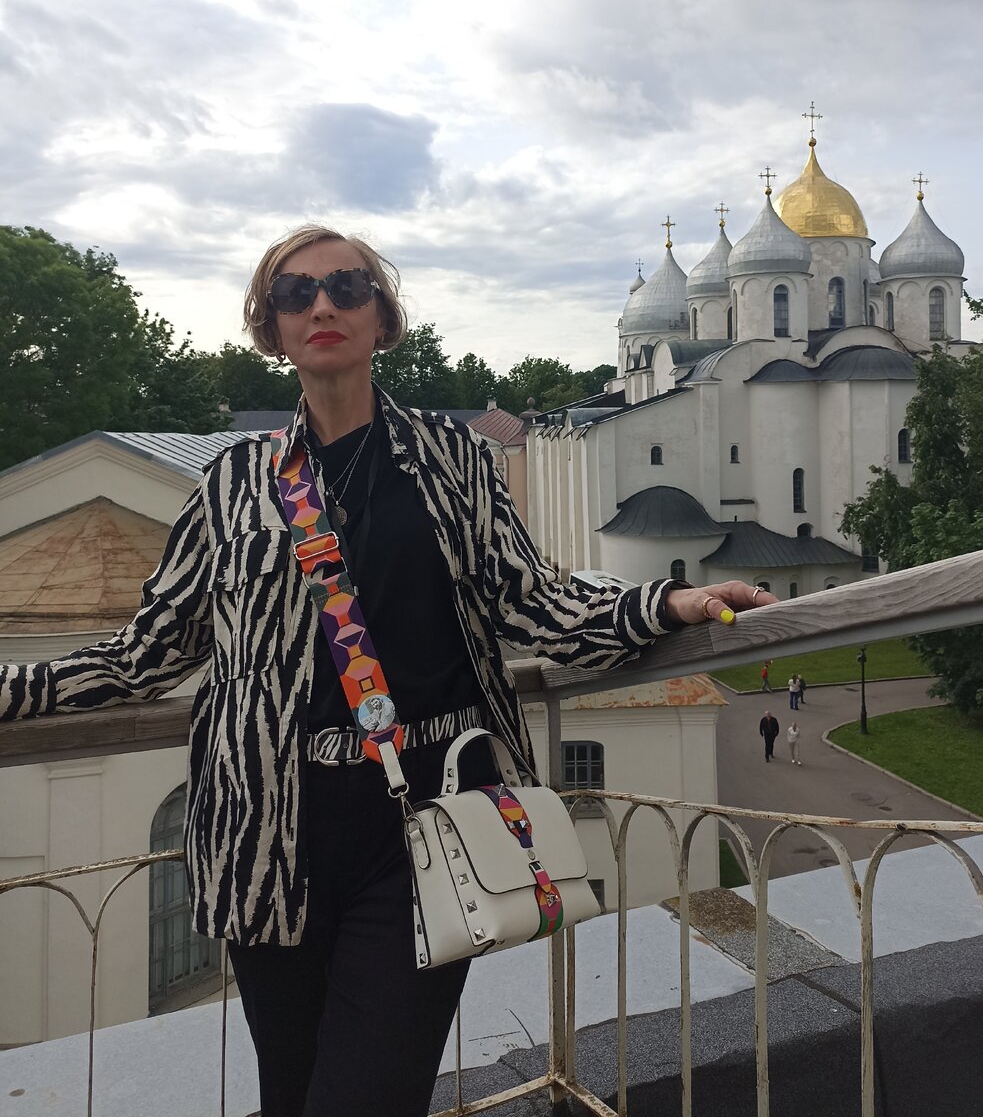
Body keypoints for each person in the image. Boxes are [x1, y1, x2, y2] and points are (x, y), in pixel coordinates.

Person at [0, 223, 777, 1117]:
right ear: (271, 326)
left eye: (346, 287)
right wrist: (17, 690)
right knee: (291, 1093)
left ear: (381, 317)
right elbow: (149, 651)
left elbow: (531, 602)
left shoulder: (453, 461)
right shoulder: (235, 481)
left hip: (423, 818)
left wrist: (665, 603)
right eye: (294, 293)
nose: (320, 305)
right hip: (270, 831)